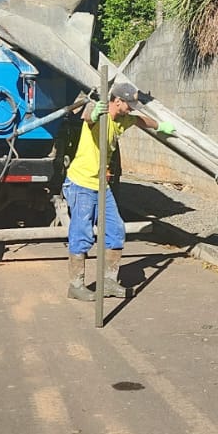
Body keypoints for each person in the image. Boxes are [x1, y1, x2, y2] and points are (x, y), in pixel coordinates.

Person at [64, 82, 175, 301]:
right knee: (82, 234)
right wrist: (95, 113)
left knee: (116, 231)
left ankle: (109, 282)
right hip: (81, 184)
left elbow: (140, 120)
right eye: (129, 104)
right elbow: (87, 117)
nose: (131, 108)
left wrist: (160, 126)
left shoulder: (122, 120)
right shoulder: (101, 116)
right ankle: (75, 286)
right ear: (117, 101)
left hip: (101, 186)